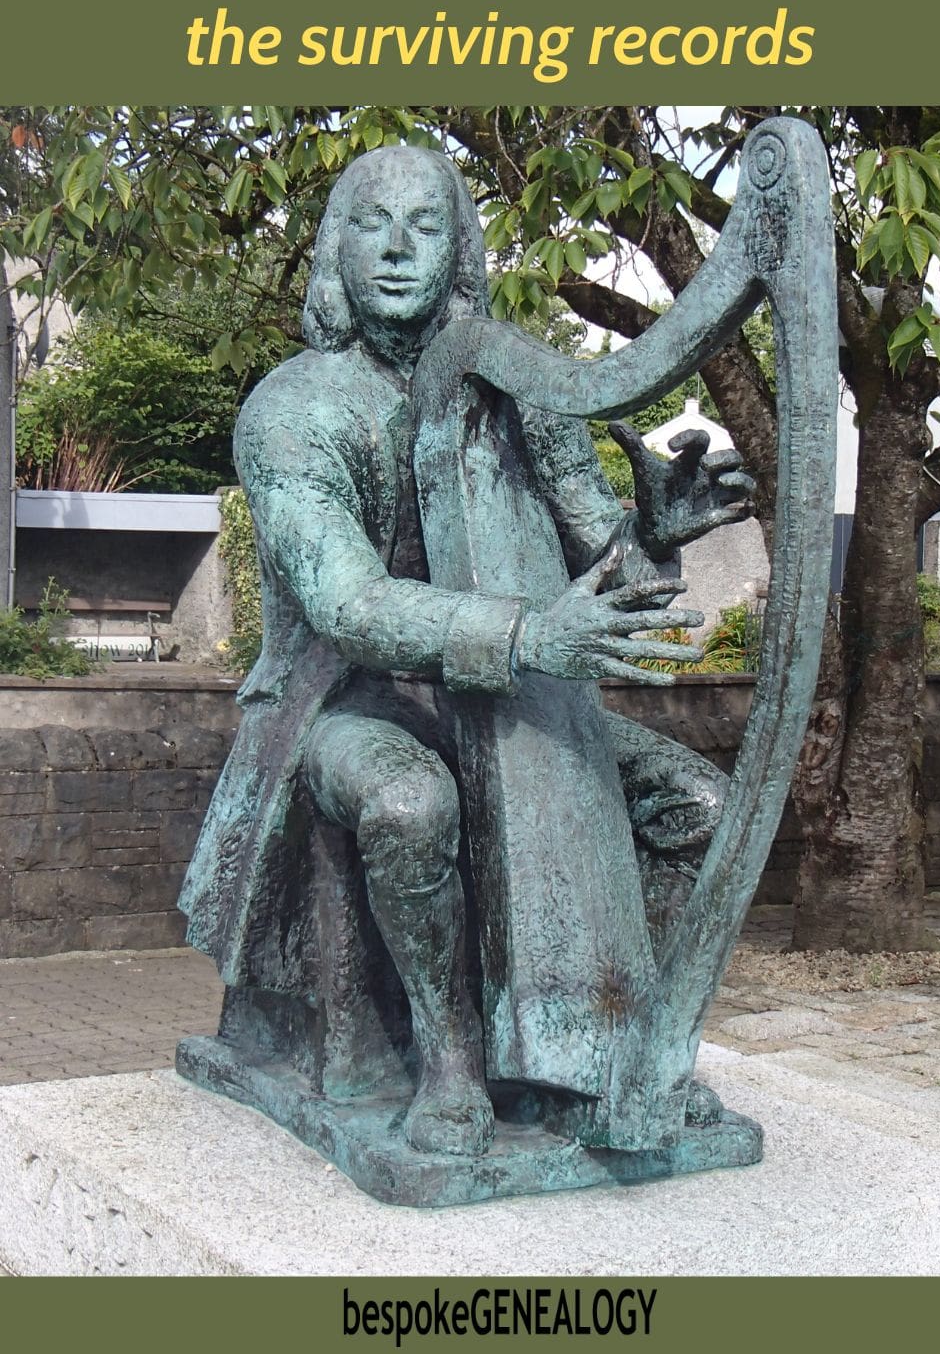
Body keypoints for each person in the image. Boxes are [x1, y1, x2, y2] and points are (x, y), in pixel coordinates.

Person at [179, 146, 753, 1158]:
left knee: (700, 809)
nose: (398, 251)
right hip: (341, 705)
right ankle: (450, 1068)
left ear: (459, 254)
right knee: (411, 802)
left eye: (426, 227)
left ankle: (613, 1048)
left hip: (503, 693)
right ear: (334, 249)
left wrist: (655, 533)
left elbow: (598, 551)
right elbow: (346, 604)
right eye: (372, 225)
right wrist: (528, 633)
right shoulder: (291, 409)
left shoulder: (514, 379)